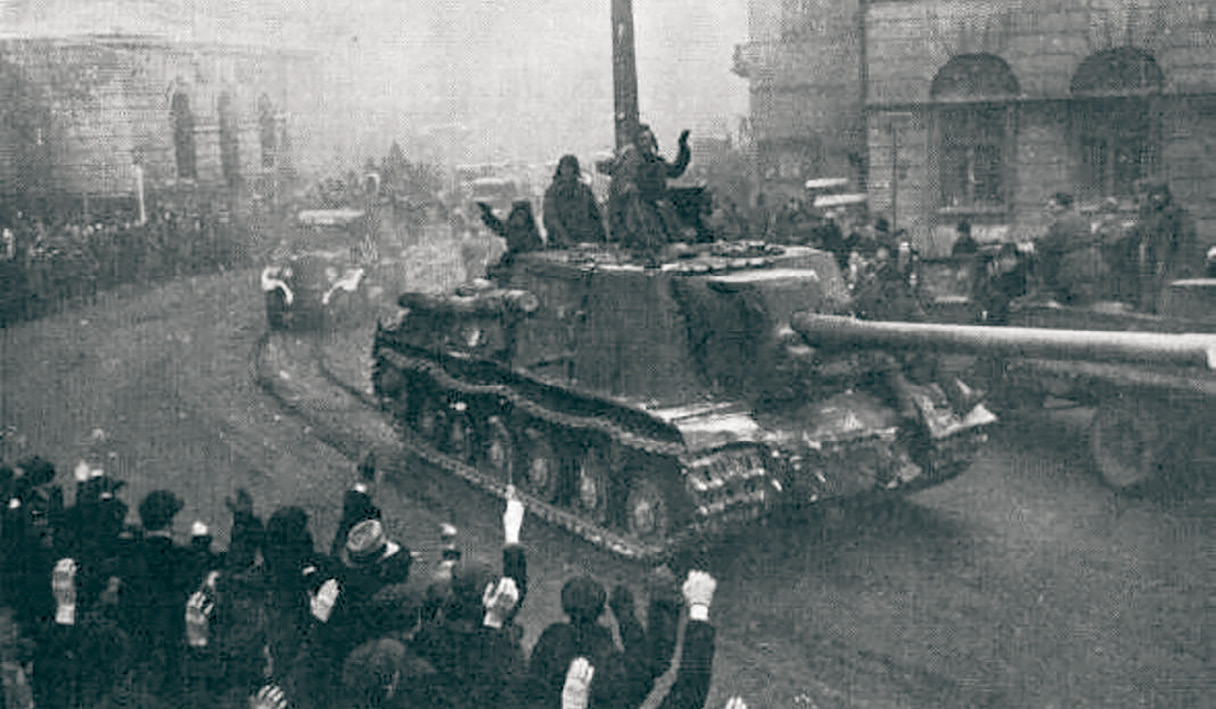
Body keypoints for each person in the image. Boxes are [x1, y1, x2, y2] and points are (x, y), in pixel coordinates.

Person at [598, 124, 692, 256]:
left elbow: (676, 170)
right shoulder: (630, 164)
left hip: (659, 211)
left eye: (647, 139)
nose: (644, 143)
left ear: (652, 141)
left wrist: (683, 147)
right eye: (641, 139)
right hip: (638, 212)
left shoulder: (657, 162)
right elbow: (622, 191)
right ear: (636, 142)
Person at [1135, 181, 1201, 311]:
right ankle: (1150, 308)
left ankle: (1162, 310)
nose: (1156, 198)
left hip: (1170, 256)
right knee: (1150, 284)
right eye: (1153, 195)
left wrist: (1178, 257)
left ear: (1166, 195)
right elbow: (1144, 232)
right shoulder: (1149, 213)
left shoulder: (1176, 213)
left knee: (1166, 286)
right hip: (1152, 255)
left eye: (1159, 194)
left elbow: (1184, 237)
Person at [543, 155, 607, 249]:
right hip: (560, 241)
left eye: (570, 167)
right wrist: (565, 238)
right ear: (560, 169)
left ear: (575, 169)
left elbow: (595, 214)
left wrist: (601, 236)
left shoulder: (584, 190)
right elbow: (551, 218)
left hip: (586, 238)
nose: (567, 171)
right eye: (564, 167)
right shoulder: (553, 192)